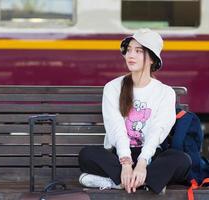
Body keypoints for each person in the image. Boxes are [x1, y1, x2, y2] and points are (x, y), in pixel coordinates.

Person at [78, 28, 192, 194]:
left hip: (150, 157)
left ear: (152, 59)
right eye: (129, 50)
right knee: (86, 155)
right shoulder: (113, 88)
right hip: (120, 156)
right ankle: (148, 183)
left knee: (183, 161)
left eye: (138, 51)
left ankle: (116, 183)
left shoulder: (165, 92)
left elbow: (157, 131)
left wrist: (142, 163)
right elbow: (116, 128)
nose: (131, 55)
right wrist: (125, 164)